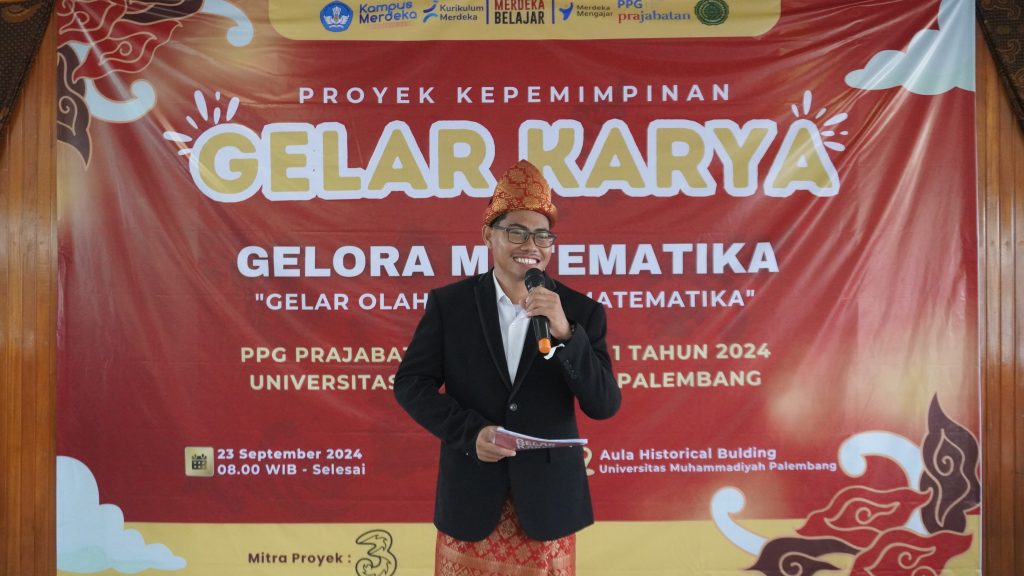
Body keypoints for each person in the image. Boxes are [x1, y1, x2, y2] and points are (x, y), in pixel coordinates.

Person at [394, 160, 621, 575]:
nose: (530, 245)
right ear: (488, 235)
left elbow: (603, 404)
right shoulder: (451, 305)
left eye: (542, 235)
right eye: (516, 231)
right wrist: (470, 433)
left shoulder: (581, 313)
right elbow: (411, 384)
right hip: (472, 495)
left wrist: (566, 333)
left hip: (547, 505)